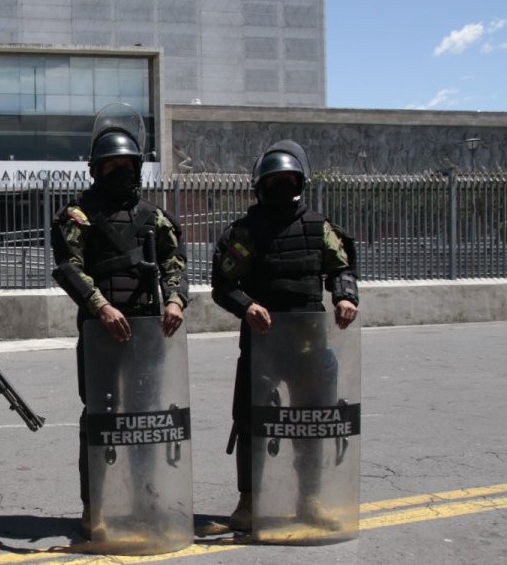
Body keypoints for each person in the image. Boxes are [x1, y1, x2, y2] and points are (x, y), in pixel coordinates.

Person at [210, 140, 359, 532]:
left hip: (309, 340)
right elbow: (223, 284)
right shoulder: (245, 233)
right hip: (263, 343)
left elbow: (341, 268)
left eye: (288, 181)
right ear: (261, 186)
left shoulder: (318, 228)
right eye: (274, 181)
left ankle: (310, 501)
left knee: (311, 423)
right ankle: (249, 501)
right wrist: (247, 306)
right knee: (250, 422)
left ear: (300, 183)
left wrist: (344, 296)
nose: (281, 187)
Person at [50, 126, 189, 536]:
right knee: (100, 418)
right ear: (96, 170)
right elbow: (68, 266)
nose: (120, 172)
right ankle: (95, 506)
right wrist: (101, 306)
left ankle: (146, 498)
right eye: (112, 166)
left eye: (127, 165)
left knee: (147, 419)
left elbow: (175, 264)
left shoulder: (155, 217)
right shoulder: (77, 215)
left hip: (148, 332)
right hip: (101, 332)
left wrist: (176, 300)